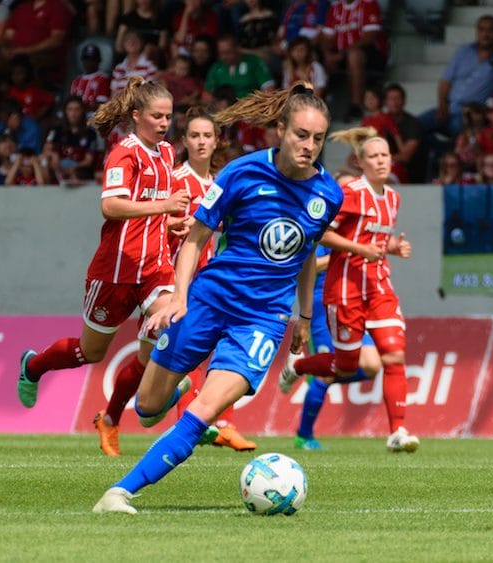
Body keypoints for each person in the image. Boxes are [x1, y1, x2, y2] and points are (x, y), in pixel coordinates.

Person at [91, 83, 343, 514]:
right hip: (208, 300)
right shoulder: (240, 174)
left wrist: (303, 316)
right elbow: (196, 239)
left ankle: (119, 493)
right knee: (149, 409)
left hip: (261, 320)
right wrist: (178, 298)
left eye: (318, 139)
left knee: (203, 412)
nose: (309, 146)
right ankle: (174, 385)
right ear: (279, 130)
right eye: (301, 135)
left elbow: (303, 254)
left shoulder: (328, 195)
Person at [17, 77, 192, 435]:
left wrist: (172, 223)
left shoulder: (168, 153)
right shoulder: (124, 153)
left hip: (155, 268)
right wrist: (165, 206)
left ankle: (155, 399)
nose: (164, 124)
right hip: (114, 272)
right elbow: (110, 206)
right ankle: (33, 366)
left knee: (174, 319)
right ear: (136, 114)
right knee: (90, 352)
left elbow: (158, 210)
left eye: (168, 117)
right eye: (157, 116)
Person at [278, 126, 419, 454]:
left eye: (385, 155)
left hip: (379, 287)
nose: (381, 161)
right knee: (344, 365)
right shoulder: (352, 194)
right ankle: (298, 367)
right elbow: (321, 236)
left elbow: (376, 241)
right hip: (344, 292)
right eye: (374, 156)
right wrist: (359, 249)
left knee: (393, 355)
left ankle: (397, 430)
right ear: (361, 162)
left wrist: (392, 247)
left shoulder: (394, 198)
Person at [279, 242, 381, 450]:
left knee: (372, 364)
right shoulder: (325, 227)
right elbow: (309, 266)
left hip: (352, 304)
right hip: (323, 304)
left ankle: (304, 366)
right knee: (324, 376)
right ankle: (304, 436)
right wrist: (349, 253)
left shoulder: (355, 230)